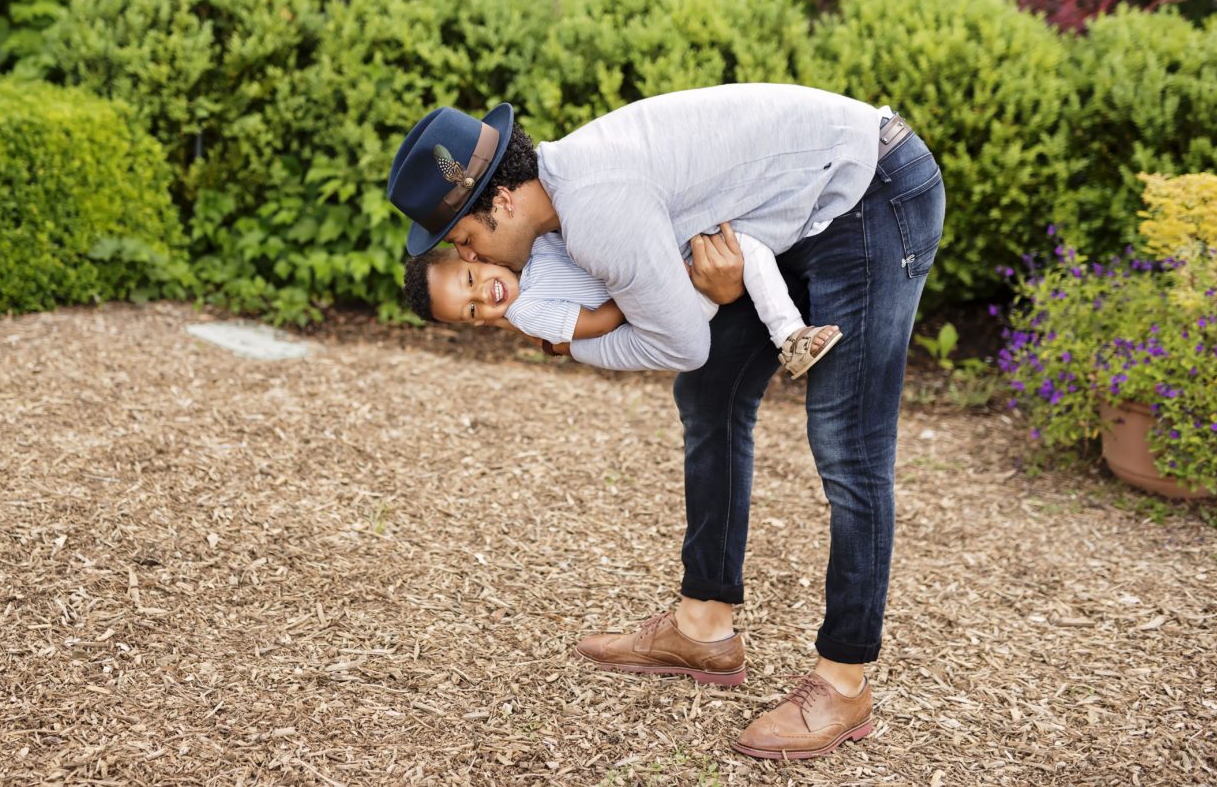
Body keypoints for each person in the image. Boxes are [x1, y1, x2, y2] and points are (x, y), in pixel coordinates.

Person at [385, 84, 945, 760]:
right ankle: (705, 625)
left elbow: (682, 340)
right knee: (709, 396)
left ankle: (844, 679)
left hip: (869, 190)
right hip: (787, 211)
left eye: (466, 240)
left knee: (847, 440)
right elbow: (653, 312)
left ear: (501, 201)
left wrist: (577, 346)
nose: (470, 261)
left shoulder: (597, 213)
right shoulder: (559, 196)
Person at [404, 228, 842, 379]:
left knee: (747, 246)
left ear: (473, 258)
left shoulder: (532, 251)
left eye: (469, 281)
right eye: (472, 310)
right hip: (664, 303)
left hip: (667, 271)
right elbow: (596, 322)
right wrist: (639, 284)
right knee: (742, 246)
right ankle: (787, 335)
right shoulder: (526, 310)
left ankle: (791, 333)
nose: (483, 296)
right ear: (480, 324)